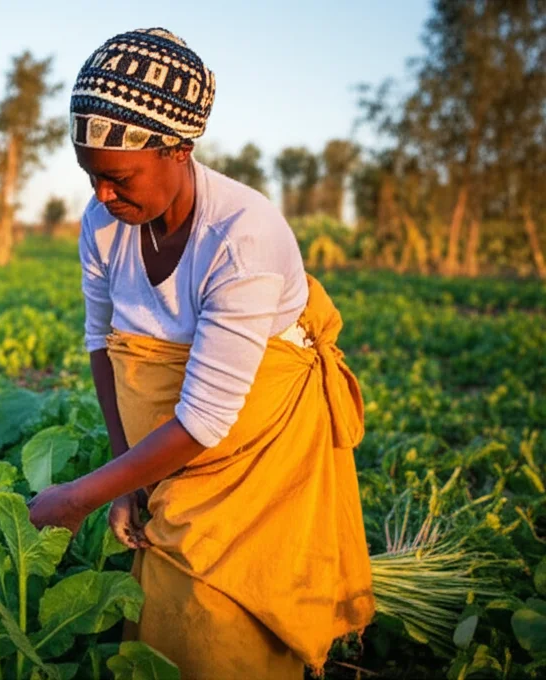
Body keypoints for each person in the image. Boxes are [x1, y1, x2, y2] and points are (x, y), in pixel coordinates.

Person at [27, 27, 376, 679]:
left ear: (179, 150)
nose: (102, 195)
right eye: (90, 175)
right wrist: (125, 477)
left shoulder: (241, 240)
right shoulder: (105, 225)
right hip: (169, 441)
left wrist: (79, 498)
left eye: (119, 177)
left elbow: (209, 420)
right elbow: (105, 346)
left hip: (249, 444)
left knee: (225, 609)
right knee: (159, 604)